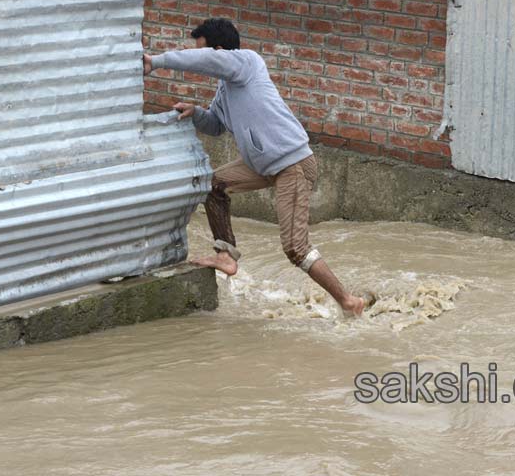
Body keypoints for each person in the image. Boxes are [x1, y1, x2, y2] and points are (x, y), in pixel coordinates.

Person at [143, 18, 375, 316]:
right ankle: (226, 255)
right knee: (213, 185)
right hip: (262, 165)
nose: (200, 57)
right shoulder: (226, 89)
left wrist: (158, 61)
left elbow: (206, 61)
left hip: (292, 163)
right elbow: (216, 125)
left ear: (219, 51)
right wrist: (196, 112)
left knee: (295, 248)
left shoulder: (247, 63)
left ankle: (348, 301)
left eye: (203, 52)